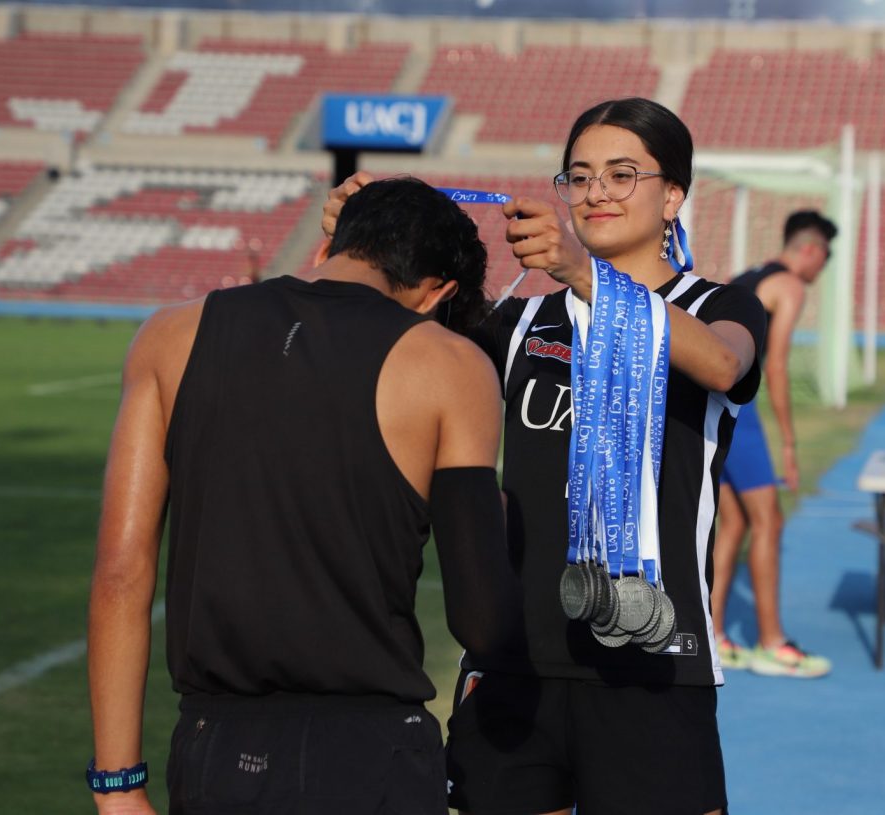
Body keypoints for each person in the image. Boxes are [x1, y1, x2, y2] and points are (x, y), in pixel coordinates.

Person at [323, 97, 766, 815]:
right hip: (515, 659)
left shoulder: (721, 306)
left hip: (653, 662)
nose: (596, 192)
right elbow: (382, 352)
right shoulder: (523, 317)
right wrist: (361, 241)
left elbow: (721, 364)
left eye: (622, 174)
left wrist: (584, 273)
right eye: (579, 176)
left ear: (673, 195)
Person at [87, 177, 523, 815]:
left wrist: (117, 786)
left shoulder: (168, 334)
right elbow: (482, 620)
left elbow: (120, 572)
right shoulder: (451, 364)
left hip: (216, 749)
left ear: (326, 248)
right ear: (439, 293)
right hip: (372, 753)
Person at [711, 210, 837, 678]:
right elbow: (777, 366)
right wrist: (788, 443)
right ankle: (772, 644)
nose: (822, 268)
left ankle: (712, 634)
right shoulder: (790, 285)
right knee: (770, 521)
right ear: (811, 250)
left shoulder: (747, 276)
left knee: (733, 524)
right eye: (825, 258)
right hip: (738, 410)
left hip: (708, 405)